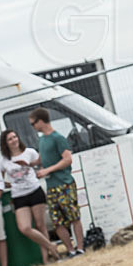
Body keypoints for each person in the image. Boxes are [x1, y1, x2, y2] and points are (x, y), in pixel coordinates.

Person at [28, 108, 85, 257]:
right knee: (57, 221)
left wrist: (48, 170)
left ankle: (80, 248)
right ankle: (70, 250)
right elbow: (41, 159)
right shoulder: (42, 140)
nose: (32, 127)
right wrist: (29, 164)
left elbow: (67, 159)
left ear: (40, 121)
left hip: (64, 183)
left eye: (33, 123)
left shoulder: (58, 138)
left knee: (73, 217)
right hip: (52, 186)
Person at [0, 129, 61, 265]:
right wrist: (9, 184)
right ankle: (51, 246)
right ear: (5, 143)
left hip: (35, 191)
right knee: (25, 228)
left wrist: (41, 172)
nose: (14, 140)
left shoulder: (30, 152)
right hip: (18, 196)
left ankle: (47, 260)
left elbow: (42, 163)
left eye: (15, 137)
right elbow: (1, 178)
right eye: (10, 139)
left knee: (41, 225)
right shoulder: (4, 160)